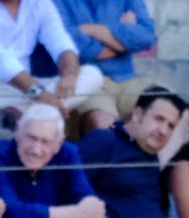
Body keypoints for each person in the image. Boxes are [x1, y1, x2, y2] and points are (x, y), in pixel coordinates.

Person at [0, 0, 104, 137]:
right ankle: (32, 115)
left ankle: (24, 111)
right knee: (37, 131)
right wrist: (39, 95)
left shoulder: (38, 3)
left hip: (19, 92)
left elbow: (61, 42)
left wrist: (69, 75)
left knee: (92, 75)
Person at [34, 0, 157, 132]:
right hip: (84, 81)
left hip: (127, 78)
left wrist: (95, 30)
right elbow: (63, 41)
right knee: (104, 127)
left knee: (168, 110)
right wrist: (123, 41)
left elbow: (148, 36)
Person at [75, 86, 184, 218]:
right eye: (159, 119)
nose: (163, 130)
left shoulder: (150, 154)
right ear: (137, 114)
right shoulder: (104, 141)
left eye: (171, 126)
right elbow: (63, 183)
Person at [0, 101, 104, 218]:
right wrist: (75, 214)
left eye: (45, 142)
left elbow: (91, 206)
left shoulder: (67, 153)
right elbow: (7, 211)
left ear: (59, 143)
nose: (36, 150)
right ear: (18, 131)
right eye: (31, 137)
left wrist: (87, 208)